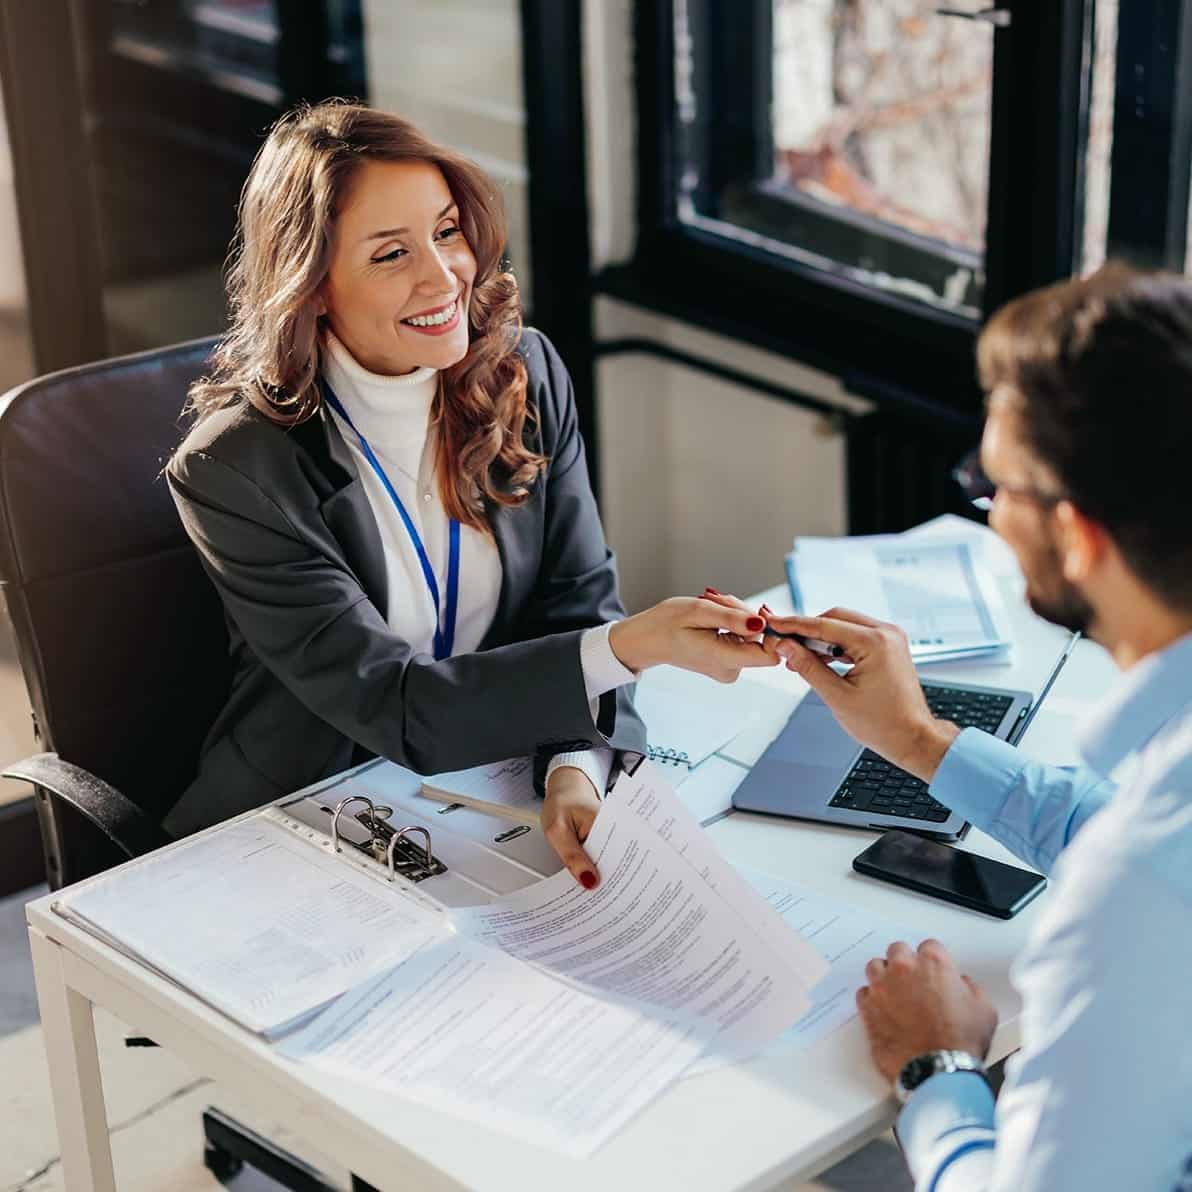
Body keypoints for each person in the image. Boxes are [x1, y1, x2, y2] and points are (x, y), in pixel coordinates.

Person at [165, 101, 775, 880]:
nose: (442, 275)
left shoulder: (524, 373)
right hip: (303, 812)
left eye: (447, 231)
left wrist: (573, 769)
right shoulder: (236, 469)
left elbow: (575, 604)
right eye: (390, 255)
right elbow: (391, 701)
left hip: (482, 793)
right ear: (312, 286)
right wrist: (632, 649)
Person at [762, 264, 1192, 1191]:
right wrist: (919, 740)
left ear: (1078, 536)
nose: (989, 513)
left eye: (996, 487)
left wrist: (940, 1068)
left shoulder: (1139, 892)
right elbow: (1128, 820)